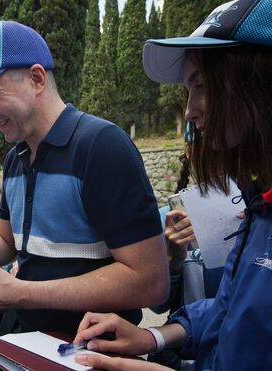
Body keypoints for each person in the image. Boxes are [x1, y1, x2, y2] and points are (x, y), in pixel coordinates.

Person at [0, 20, 169, 335]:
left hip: (90, 351)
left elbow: (150, 282)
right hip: (23, 342)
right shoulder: (15, 159)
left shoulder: (101, 146)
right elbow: (5, 242)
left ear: (37, 78)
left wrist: (20, 293)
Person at [73, 1, 272, 369]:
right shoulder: (259, 205)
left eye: (201, 86)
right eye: (187, 91)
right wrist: (156, 335)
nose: (189, 112)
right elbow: (236, 309)